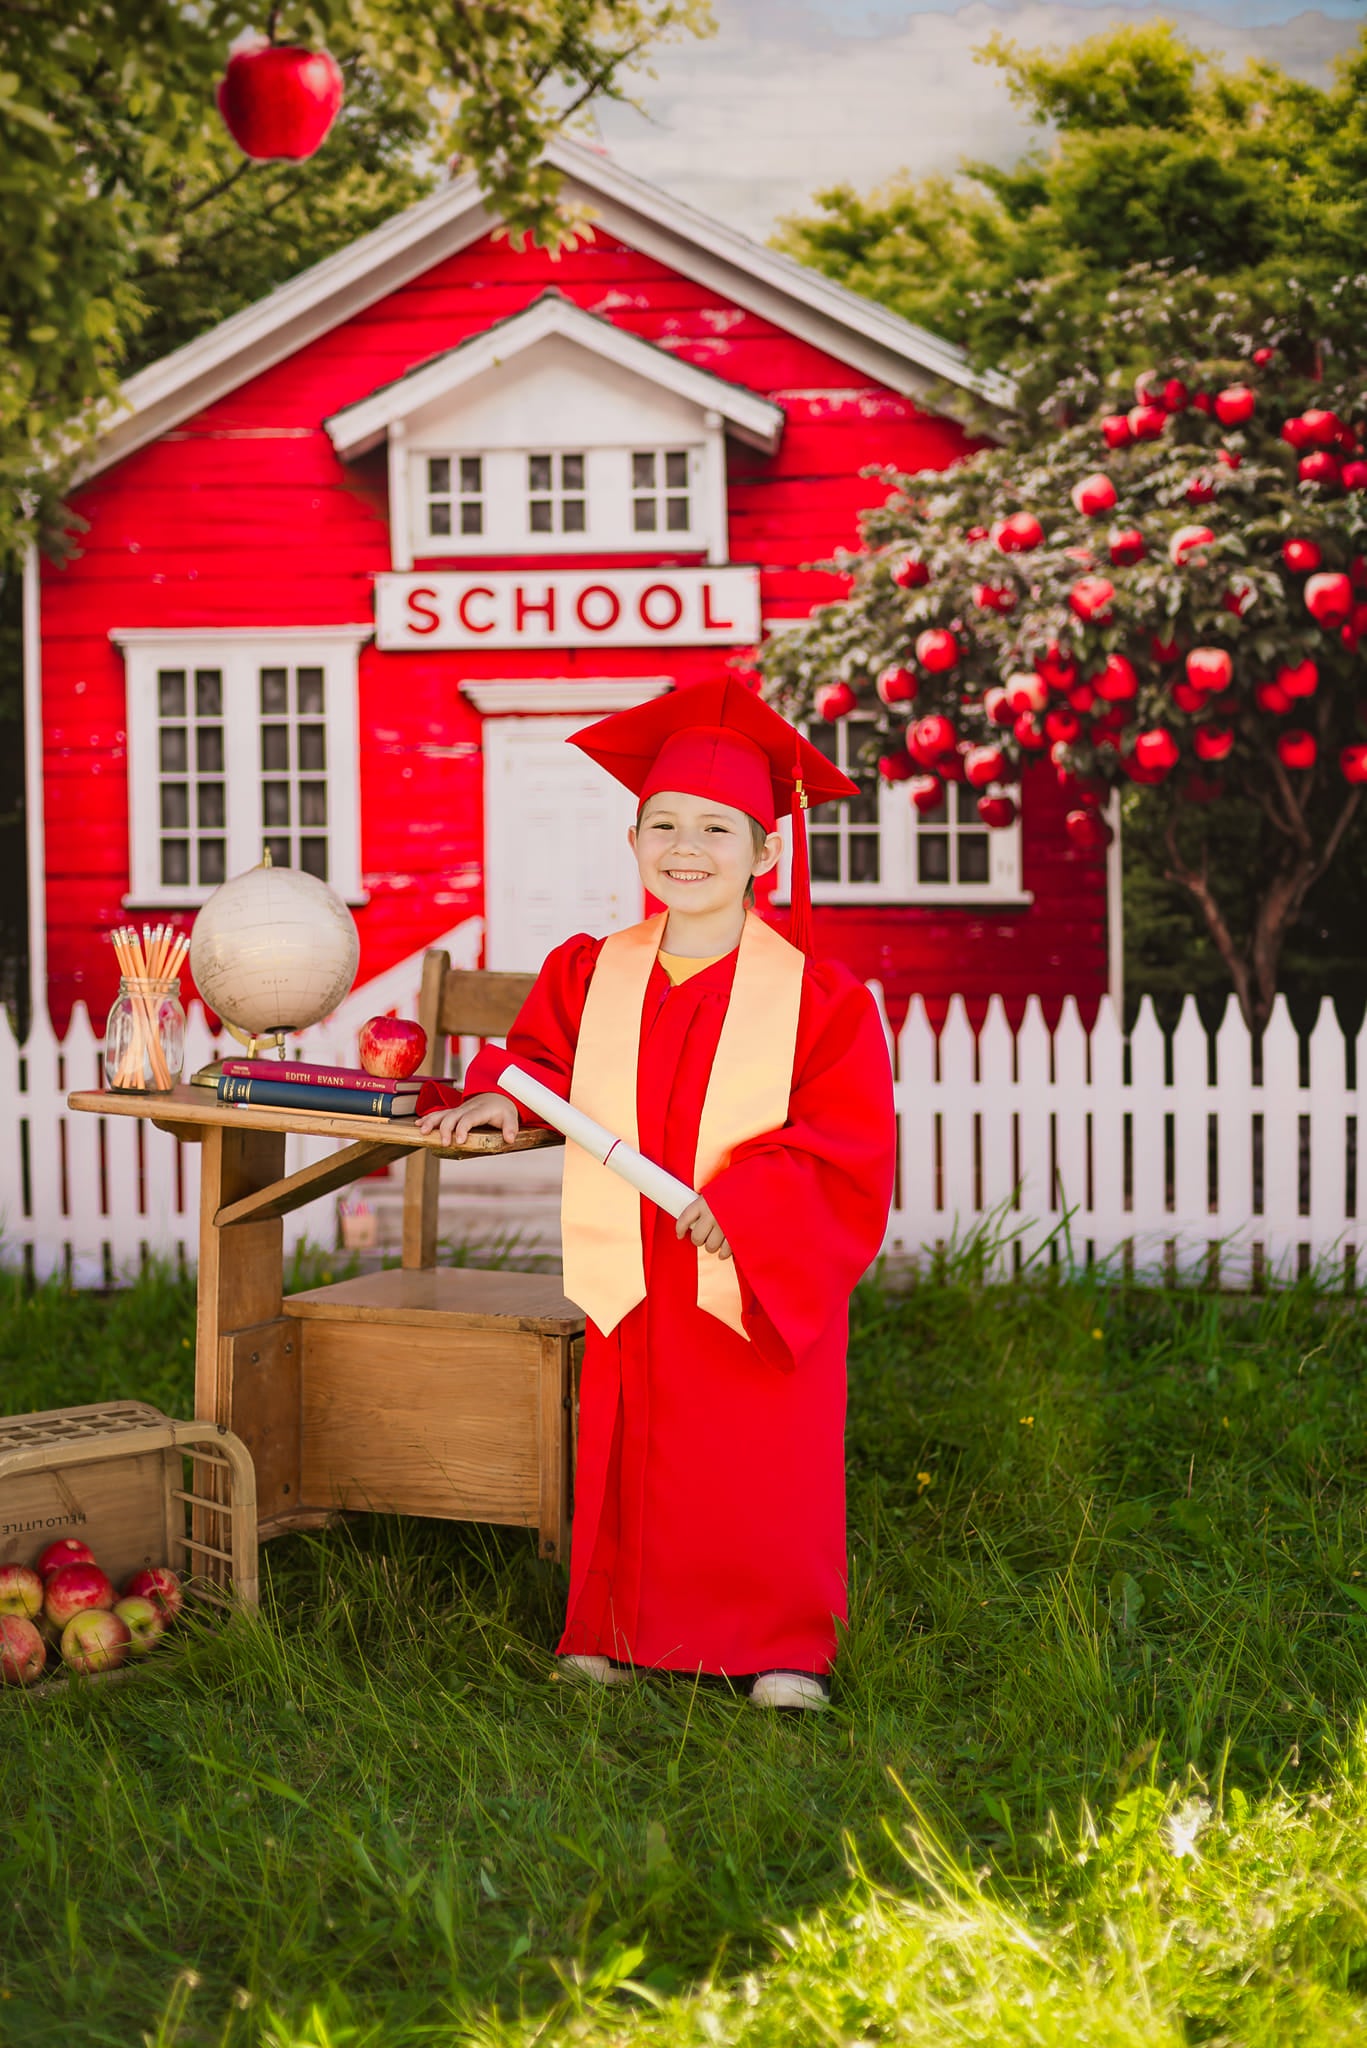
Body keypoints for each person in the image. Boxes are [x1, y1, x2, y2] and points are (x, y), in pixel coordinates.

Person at [417, 680, 896, 1709]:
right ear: (634, 837)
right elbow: (535, 1061)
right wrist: (505, 1102)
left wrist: (753, 1199)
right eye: (663, 824)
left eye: (717, 828)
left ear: (764, 851)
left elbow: (843, 1142)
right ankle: (609, 1623)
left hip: (745, 1262)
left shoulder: (821, 999)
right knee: (630, 1442)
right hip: (631, 1257)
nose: (687, 847)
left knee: (762, 1445)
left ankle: (781, 1645)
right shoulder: (593, 971)